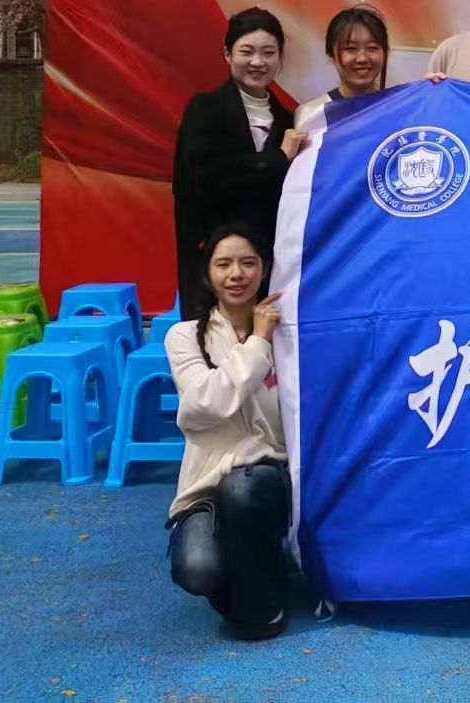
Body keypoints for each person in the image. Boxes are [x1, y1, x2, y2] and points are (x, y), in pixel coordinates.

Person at [165, 223, 291, 641]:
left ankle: (263, 612)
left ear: (265, 268)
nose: (236, 274)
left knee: (245, 487)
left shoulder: (290, 334)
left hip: (273, 478)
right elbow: (204, 405)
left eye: (248, 263)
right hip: (207, 488)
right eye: (224, 264)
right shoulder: (185, 337)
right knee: (196, 569)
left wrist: (269, 335)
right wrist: (257, 342)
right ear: (207, 274)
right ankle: (260, 563)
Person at [172, 8, 304, 315]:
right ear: (227, 54)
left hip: (270, 268)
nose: (258, 62)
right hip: (215, 265)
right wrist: (277, 159)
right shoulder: (204, 110)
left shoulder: (290, 120)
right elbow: (208, 180)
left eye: (268, 52)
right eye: (247, 51)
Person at [294, 5, 390, 130]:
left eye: (372, 48)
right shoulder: (311, 114)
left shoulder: (396, 108)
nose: (362, 58)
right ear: (331, 56)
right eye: (350, 48)